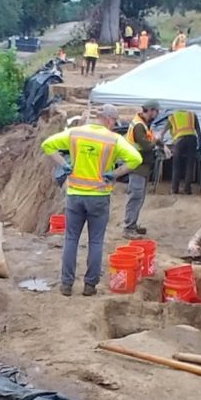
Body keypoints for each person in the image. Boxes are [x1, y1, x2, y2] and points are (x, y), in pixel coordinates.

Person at [42, 104, 143, 296]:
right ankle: (90, 286)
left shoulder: (75, 133)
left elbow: (47, 145)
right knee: (95, 241)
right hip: (99, 196)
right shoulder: (113, 140)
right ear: (109, 119)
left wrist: (64, 165)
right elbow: (136, 159)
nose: (114, 126)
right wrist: (115, 173)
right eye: (114, 122)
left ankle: (66, 284)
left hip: (75, 195)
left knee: (71, 239)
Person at [122, 100, 161, 239]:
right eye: (156, 111)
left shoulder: (143, 124)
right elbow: (146, 145)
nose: (157, 114)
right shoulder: (139, 125)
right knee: (135, 197)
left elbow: (149, 139)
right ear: (150, 110)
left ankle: (132, 224)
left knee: (139, 198)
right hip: (137, 167)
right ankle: (128, 228)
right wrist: (157, 142)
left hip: (142, 167)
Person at [159, 110, 201, 194]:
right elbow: (199, 132)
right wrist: (200, 147)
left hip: (179, 141)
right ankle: (187, 190)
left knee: (176, 165)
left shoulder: (172, 117)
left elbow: (162, 133)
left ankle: (174, 189)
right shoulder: (192, 115)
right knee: (190, 165)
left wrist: (161, 145)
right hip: (192, 140)